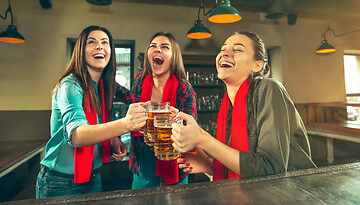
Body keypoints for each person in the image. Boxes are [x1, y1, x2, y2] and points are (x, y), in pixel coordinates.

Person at [171, 31, 316, 180]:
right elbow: (247, 166)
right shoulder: (227, 105)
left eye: (237, 49)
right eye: (223, 49)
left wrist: (203, 139)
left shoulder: (269, 89)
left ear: (257, 65)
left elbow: (271, 169)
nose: (225, 54)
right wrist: (210, 165)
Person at [36, 26, 147, 198]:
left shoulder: (105, 85)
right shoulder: (70, 85)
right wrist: (125, 125)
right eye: (91, 42)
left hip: (93, 177)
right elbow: (77, 136)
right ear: (81, 50)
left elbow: (132, 100)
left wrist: (113, 139)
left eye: (105, 42)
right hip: (60, 181)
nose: (99, 47)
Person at [129, 31, 197, 189]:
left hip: (173, 165)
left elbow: (190, 133)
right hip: (141, 165)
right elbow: (130, 112)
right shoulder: (139, 80)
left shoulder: (184, 89)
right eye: (153, 46)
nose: (157, 49)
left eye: (164, 47)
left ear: (174, 57)